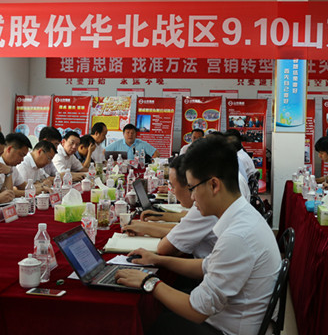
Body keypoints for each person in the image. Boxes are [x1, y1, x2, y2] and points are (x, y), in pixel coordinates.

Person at [115, 136, 281, 335]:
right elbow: (207, 265)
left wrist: (148, 282)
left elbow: (197, 310)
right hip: (230, 316)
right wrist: (158, 260)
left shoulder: (238, 236)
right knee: (162, 306)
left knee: (151, 322)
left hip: (227, 329)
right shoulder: (244, 216)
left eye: (192, 188)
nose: (192, 197)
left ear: (214, 185)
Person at [122, 155, 217, 258]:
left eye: (172, 186)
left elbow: (164, 248)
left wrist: (146, 228)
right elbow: (183, 226)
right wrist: (146, 226)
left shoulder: (205, 206)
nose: (171, 191)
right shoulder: (208, 201)